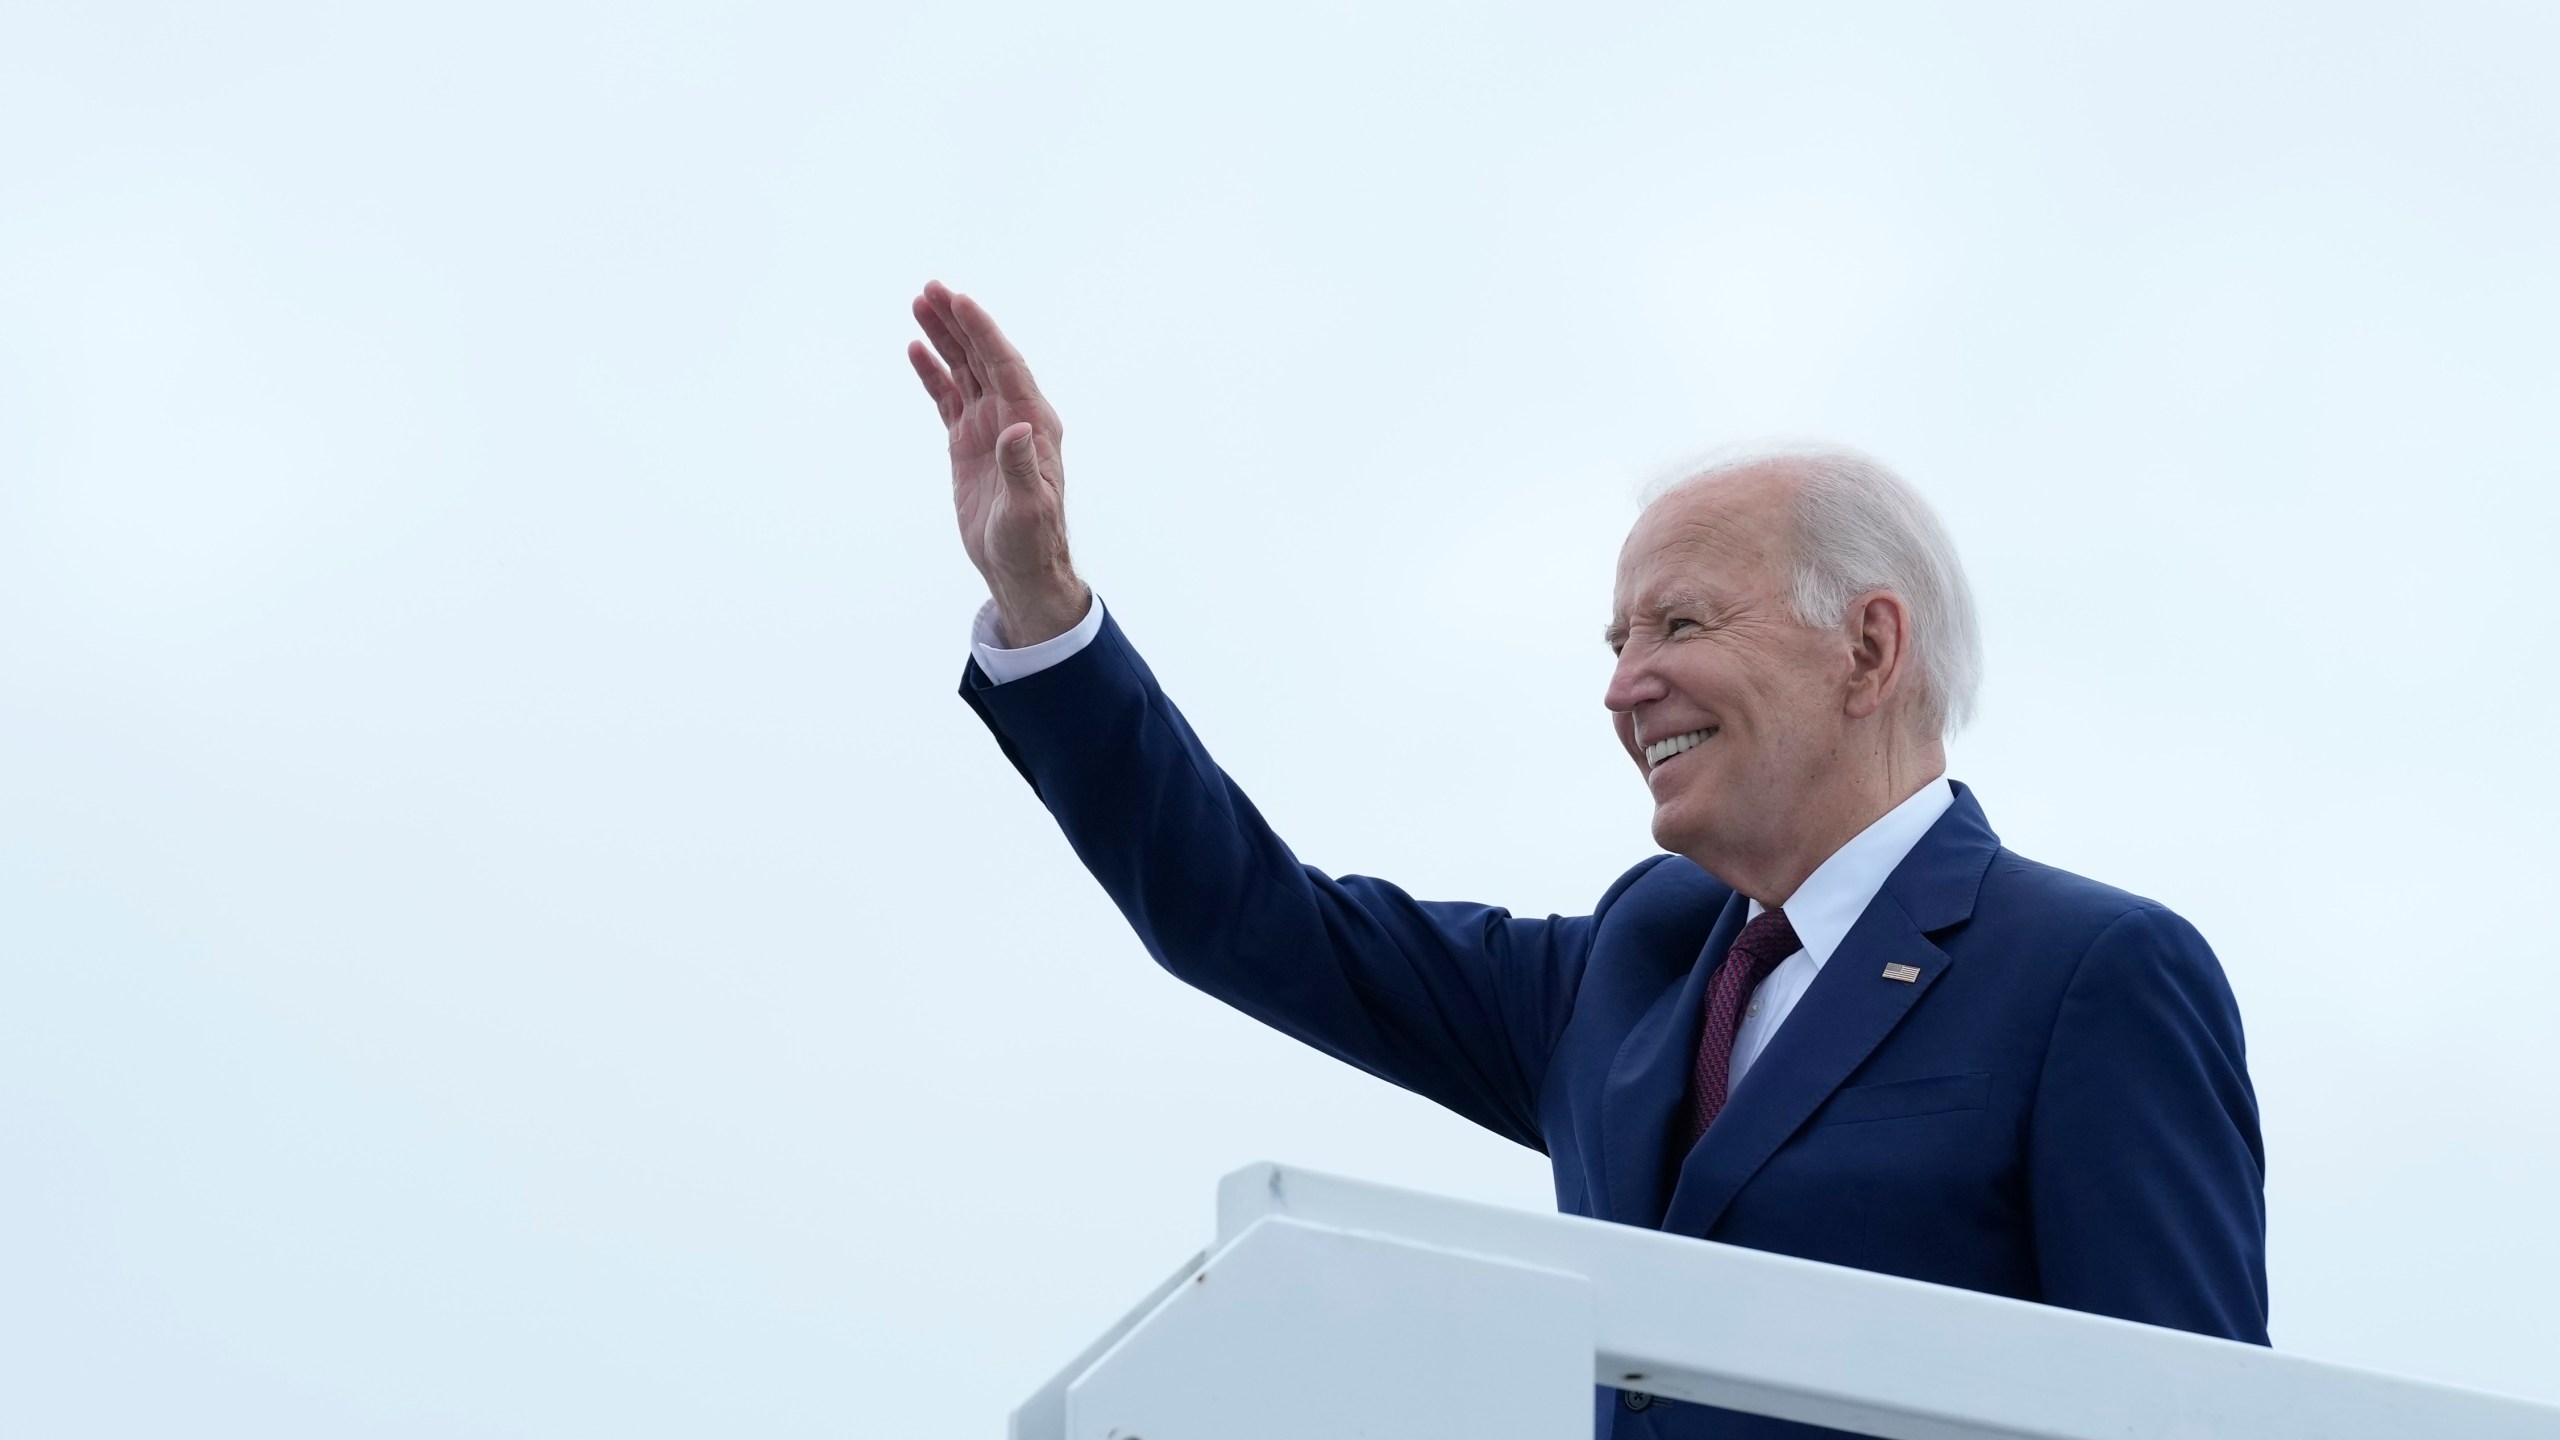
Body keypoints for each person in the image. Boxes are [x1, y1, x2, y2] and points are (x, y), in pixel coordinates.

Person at [907, 281, 2267, 1438]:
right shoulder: (1633, 964)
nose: (1626, 690)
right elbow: (1251, 920)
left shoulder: (2092, 976)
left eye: (1676, 626)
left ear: (1867, 649)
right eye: (1615, 646)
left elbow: (2187, 1417)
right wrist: (1046, 609)